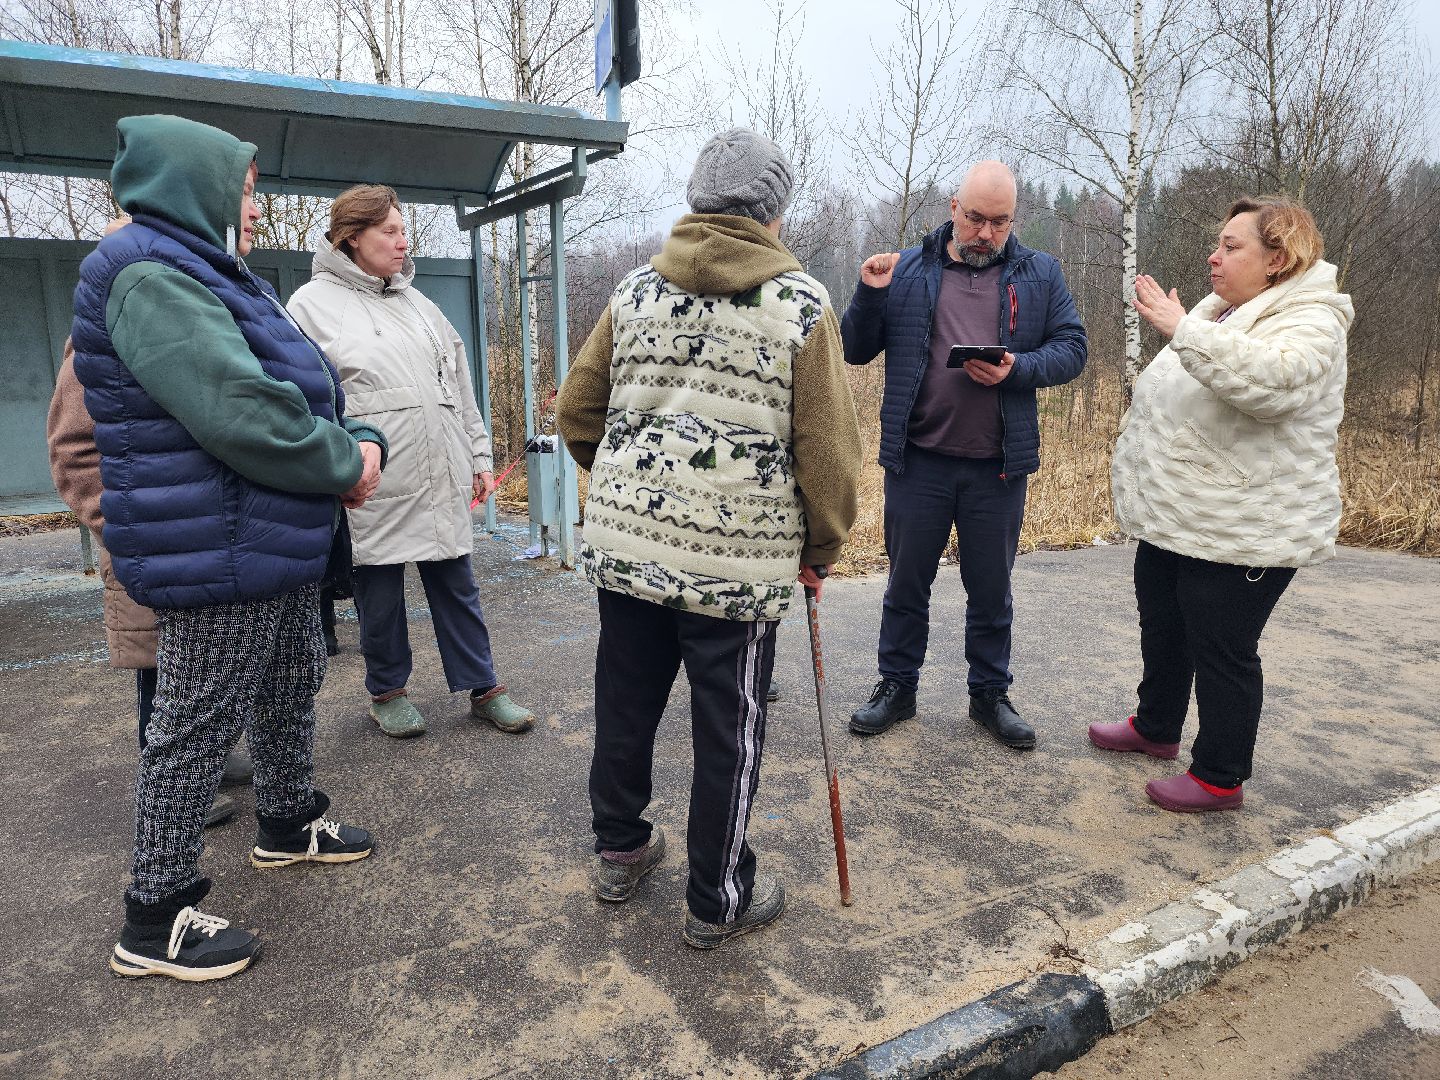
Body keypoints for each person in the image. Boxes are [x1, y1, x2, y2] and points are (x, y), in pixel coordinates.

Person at [73, 114, 388, 981]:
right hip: (219, 541)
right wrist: (342, 464)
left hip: (266, 534)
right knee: (195, 723)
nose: (255, 209)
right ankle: (154, 913)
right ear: (197, 185)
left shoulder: (213, 273)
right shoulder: (147, 275)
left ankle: (287, 824)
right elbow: (238, 408)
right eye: (246, 192)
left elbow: (304, 385)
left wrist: (357, 441)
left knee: (292, 678)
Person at [557, 128, 862, 949]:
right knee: (729, 726)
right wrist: (822, 547)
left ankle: (620, 850)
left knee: (625, 701)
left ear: (697, 197)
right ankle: (717, 898)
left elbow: (576, 414)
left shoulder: (633, 293)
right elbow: (826, 452)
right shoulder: (800, 305)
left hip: (628, 549)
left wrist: (630, 484)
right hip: (736, 564)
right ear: (772, 210)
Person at [1090, 196, 1351, 812]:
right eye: (1219, 243)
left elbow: (1270, 382)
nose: (1215, 255)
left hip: (1247, 526)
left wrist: (1181, 329)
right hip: (1182, 517)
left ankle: (1219, 776)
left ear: (1279, 259)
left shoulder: (1312, 320)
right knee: (1165, 625)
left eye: (1233, 246)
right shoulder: (1225, 312)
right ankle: (1156, 727)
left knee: (1223, 649)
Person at [841, 161, 1087, 748]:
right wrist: (869, 293)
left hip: (997, 467)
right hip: (918, 459)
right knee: (905, 583)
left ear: (1013, 220)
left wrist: (1016, 369)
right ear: (953, 208)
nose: (985, 232)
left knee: (991, 587)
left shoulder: (1039, 273)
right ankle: (896, 687)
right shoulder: (907, 268)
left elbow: (1073, 348)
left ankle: (989, 694)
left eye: (998, 222)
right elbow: (853, 348)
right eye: (975, 218)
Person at [288, 185, 534, 739]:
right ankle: (387, 691)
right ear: (352, 239)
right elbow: (309, 398)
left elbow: (459, 386)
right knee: (379, 593)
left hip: (439, 467)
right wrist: (333, 469)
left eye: (404, 230)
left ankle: (483, 686)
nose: (403, 243)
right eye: (389, 232)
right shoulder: (309, 305)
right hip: (374, 478)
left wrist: (478, 454)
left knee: (457, 583)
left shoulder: (418, 303)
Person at [48, 215, 251, 831]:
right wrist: (124, 522)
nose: (251, 217)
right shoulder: (107, 327)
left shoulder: (215, 308)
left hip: (215, 536)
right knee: (159, 670)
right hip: (154, 542)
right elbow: (72, 447)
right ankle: (169, 778)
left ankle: (207, 759)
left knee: (212, 666)